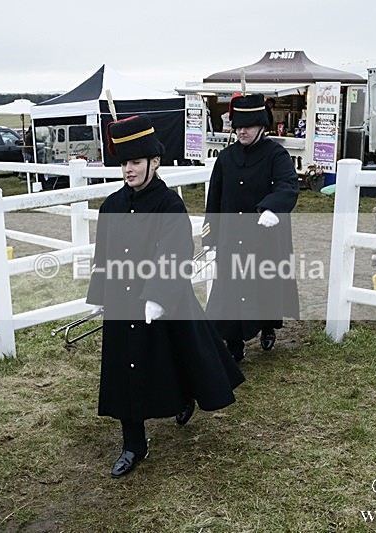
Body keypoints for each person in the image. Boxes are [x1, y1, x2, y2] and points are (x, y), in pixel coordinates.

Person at [86, 115, 245, 478]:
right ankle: (133, 445)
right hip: (121, 302)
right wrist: (98, 292)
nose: (128, 169)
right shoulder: (111, 206)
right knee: (125, 370)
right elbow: (104, 254)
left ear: (154, 162)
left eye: (136, 162)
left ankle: (185, 396)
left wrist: (157, 295)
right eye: (124, 162)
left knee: (171, 359)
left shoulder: (168, 205)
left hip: (162, 300)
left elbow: (174, 251)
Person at [202, 94, 300, 361]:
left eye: (248, 126)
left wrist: (272, 206)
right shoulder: (225, 158)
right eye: (238, 126)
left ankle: (267, 326)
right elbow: (215, 199)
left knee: (265, 286)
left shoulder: (276, 155)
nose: (242, 131)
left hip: (264, 235)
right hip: (232, 237)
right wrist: (210, 236)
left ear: (261, 126)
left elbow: (288, 185)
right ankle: (234, 343)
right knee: (230, 291)